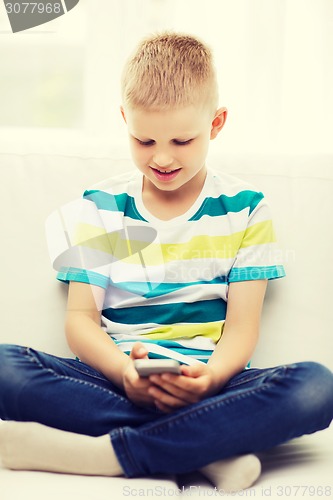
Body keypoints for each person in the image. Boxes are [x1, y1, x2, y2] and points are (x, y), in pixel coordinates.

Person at [0, 32, 332, 493]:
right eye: (143, 139)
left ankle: (113, 453)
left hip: (212, 383)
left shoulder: (247, 210)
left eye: (181, 139)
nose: (161, 156)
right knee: (4, 367)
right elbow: (81, 319)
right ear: (124, 120)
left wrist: (211, 378)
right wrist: (124, 374)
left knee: (317, 387)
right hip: (114, 378)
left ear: (216, 124)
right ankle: (210, 448)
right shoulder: (104, 207)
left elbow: (241, 329)